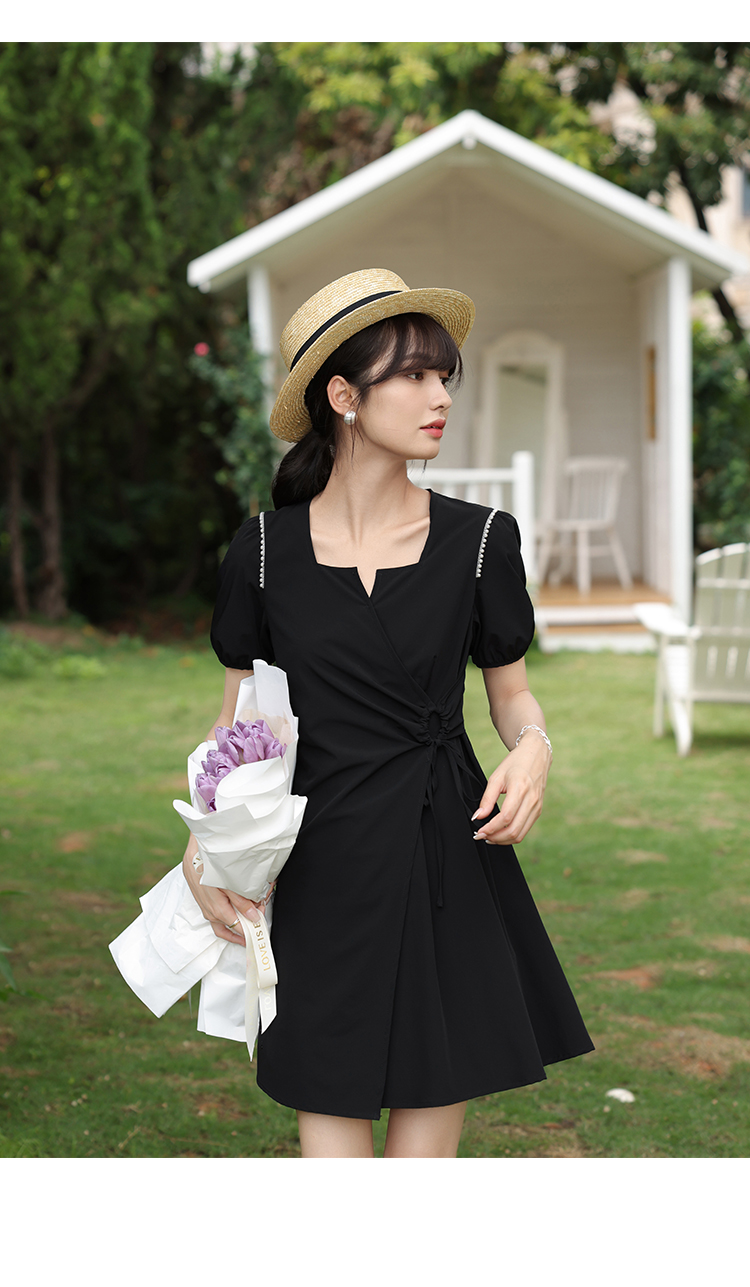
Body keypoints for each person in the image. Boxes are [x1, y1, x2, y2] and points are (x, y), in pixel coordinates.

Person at [182, 268, 594, 1158]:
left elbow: (511, 692)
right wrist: (204, 844)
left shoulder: (481, 540)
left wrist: (534, 745)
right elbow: (236, 726)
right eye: (413, 374)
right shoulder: (261, 553)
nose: (440, 395)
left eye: (445, 375)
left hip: (447, 848)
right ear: (344, 397)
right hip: (317, 863)